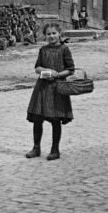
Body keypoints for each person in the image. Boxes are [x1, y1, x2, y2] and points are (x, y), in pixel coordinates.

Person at [25, 23, 74, 160]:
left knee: (55, 119)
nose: (51, 36)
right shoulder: (43, 50)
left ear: (59, 34)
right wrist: (45, 72)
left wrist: (57, 74)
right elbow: (37, 67)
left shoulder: (64, 49)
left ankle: (55, 149)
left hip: (57, 88)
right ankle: (36, 148)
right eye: (48, 34)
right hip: (42, 87)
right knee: (37, 118)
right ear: (45, 36)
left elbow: (70, 69)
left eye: (54, 33)